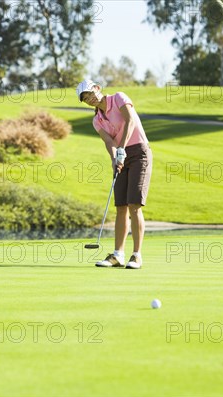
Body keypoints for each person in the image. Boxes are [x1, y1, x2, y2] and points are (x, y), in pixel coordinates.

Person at [76, 79, 153, 269]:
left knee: (134, 204)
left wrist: (122, 149)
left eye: (90, 94)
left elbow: (130, 120)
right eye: (85, 99)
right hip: (121, 157)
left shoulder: (119, 98)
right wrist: (114, 158)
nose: (90, 99)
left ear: (97, 88)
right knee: (120, 206)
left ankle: (136, 256)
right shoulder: (97, 120)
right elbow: (108, 141)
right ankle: (118, 255)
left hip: (139, 153)